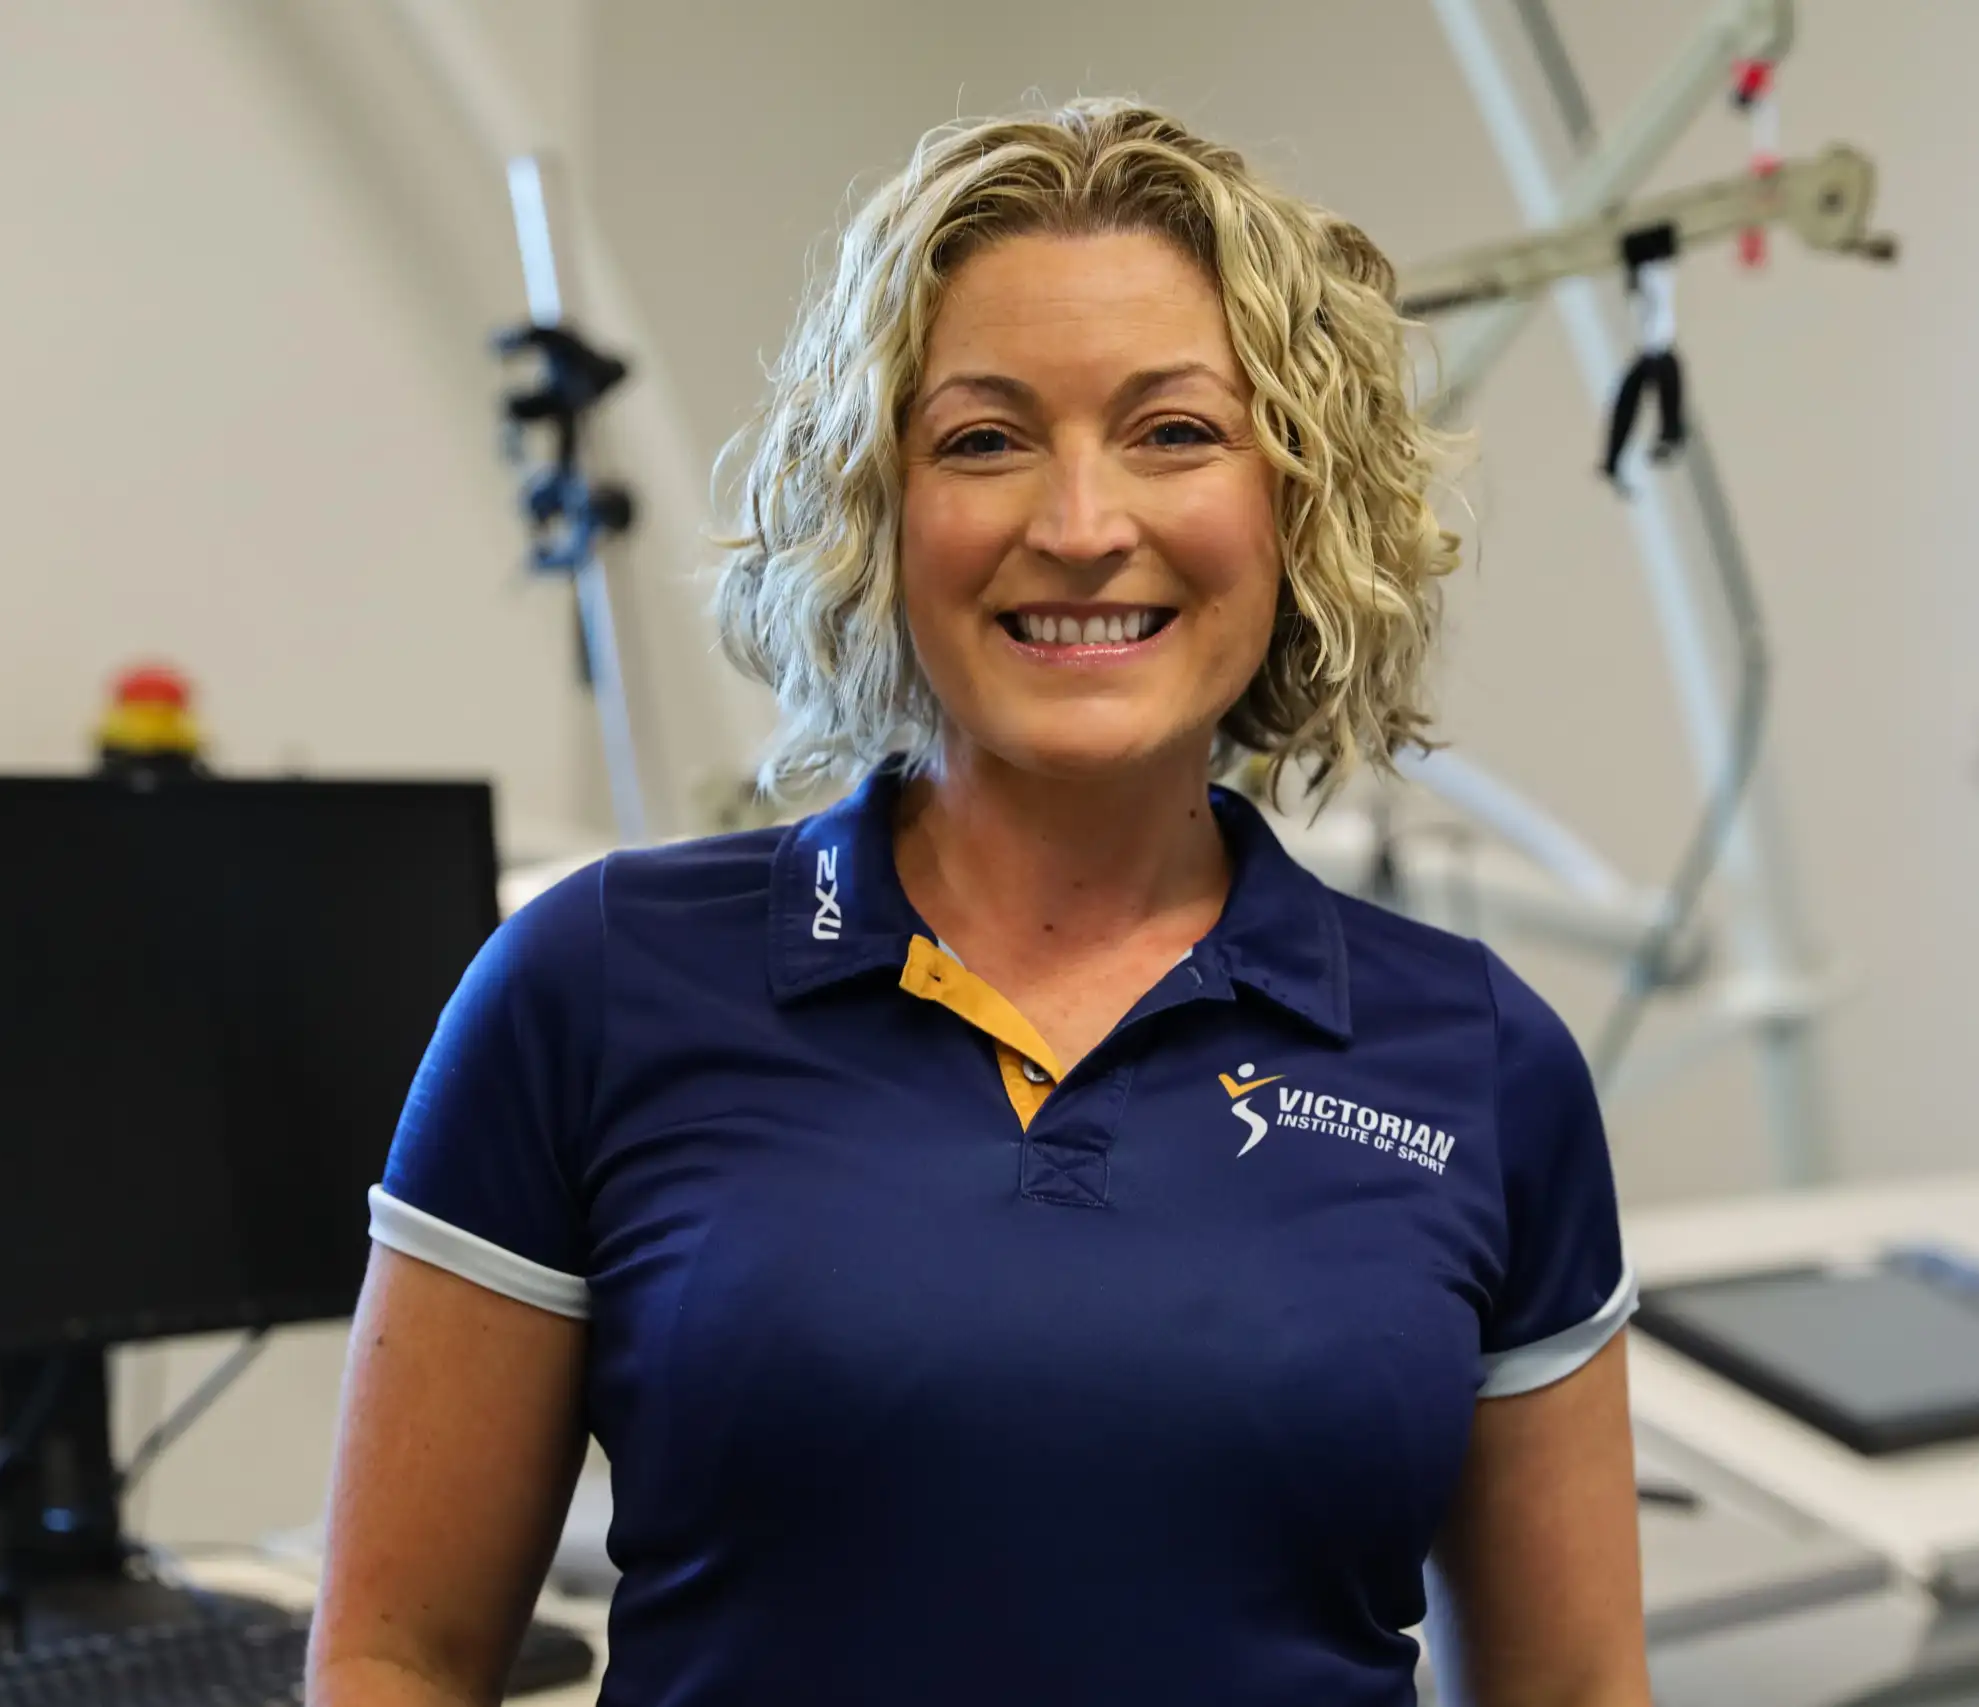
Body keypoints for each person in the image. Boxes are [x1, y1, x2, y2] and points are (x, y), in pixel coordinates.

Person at [308, 98, 1649, 1707]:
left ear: (1299, 507)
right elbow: (399, 1656)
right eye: (986, 438)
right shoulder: (588, 989)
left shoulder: (1481, 1061)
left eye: (1174, 431)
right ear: (880, 506)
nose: (1081, 529)